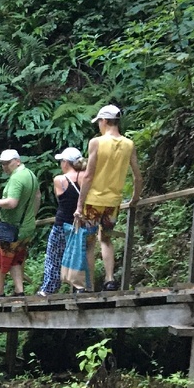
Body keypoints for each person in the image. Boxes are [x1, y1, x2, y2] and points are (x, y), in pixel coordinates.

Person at [74, 104, 143, 291]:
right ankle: (110, 280)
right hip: (114, 202)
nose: (98, 125)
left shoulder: (96, 142)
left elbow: (88, 176)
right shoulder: (129, 144)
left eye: (99, 122)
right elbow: (137, 175)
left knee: (89, 244)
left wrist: (79, 205)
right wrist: (135, 198)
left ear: (104, 121)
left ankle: (87, 286)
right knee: (106, 239)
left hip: (93, 201)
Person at [0, 150, 39, 297]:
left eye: (8, 163)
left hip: (11, 229)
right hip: (26, 227)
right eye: (2, 163)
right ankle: (19, 290)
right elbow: (37, 196)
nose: (5, 166)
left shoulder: (16, 179)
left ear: (17, 161)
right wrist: (31, 216)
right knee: (16, 259)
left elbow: (11, 203)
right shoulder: (30, 175)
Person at [37, 148, 86, 295]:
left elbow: (60, 199)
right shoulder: (85, 176)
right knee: (79, 254)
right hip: (81, 223)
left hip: (62, 223)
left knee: (54, 256)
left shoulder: (59, 180)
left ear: (66, 163)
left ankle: (49, 289)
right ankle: (81, 287)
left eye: (61, 161)